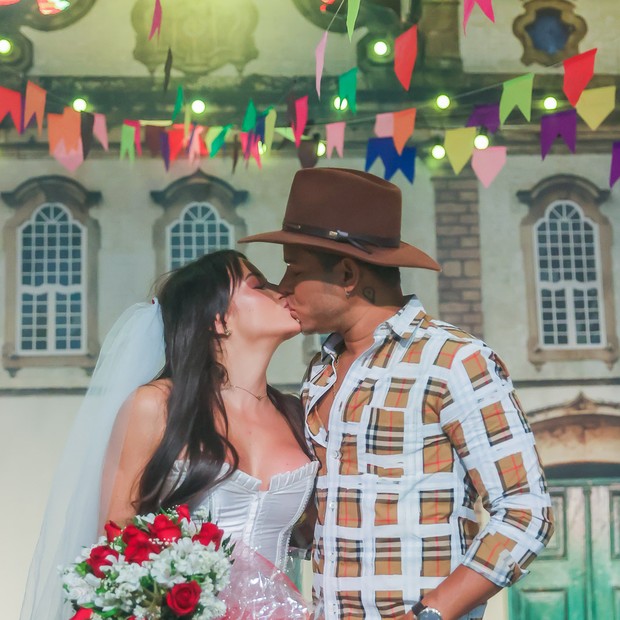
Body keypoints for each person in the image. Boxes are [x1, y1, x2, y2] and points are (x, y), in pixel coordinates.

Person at [239, 168, 555, 620]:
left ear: (347, 274)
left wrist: (430, 614)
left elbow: (526, 512)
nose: (283, 284)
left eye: (295, 266)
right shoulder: (320, 372)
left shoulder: (453, 359)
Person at [20, 249, 318, 620]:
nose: (281, 292)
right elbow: (116, 541)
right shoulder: (157, 406)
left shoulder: (298, 413)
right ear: (218, 319)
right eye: (259, 285)